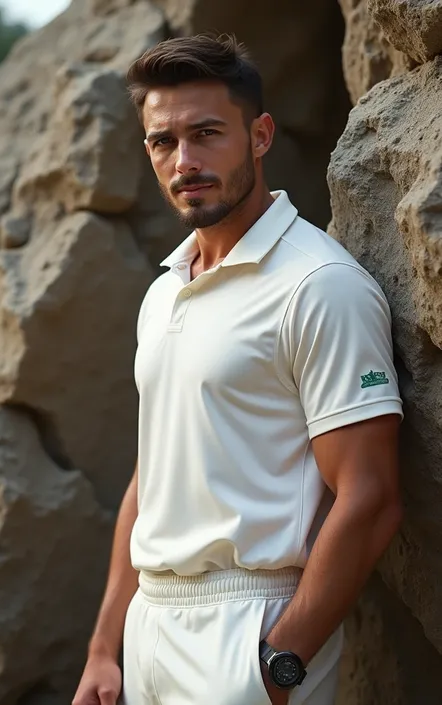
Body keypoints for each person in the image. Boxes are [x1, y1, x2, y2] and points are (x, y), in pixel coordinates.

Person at [72, 33, 403, 705]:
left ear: (259, 135)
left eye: (206, 134)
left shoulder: (319, 285)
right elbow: (153, 471)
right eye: (164, 142)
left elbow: (370, 495)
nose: (184, 161)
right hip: (149, 628)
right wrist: (105, 647)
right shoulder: (165, 289)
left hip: (246, 628)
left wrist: (278, 664)